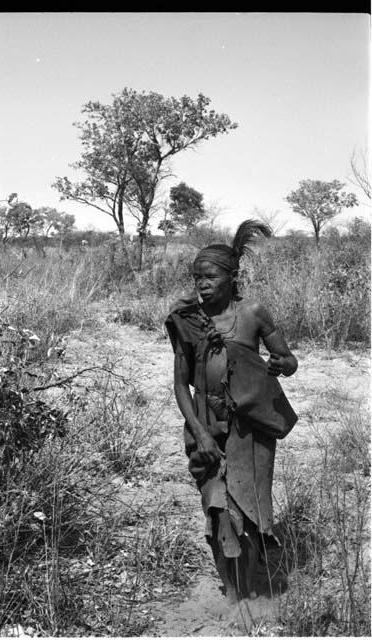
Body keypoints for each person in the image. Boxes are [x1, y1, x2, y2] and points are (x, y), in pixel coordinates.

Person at [165, 220, 298, 599]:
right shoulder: (186, 320)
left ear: (232, 276)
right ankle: (233, 594)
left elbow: (289, 360)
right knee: (217, 507)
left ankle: (250, 591)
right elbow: (180, 383)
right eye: (196, 278)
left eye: (209, 277)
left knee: (251, 510)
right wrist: (201, 433)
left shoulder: (253, 313)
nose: (201, 284)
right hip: (205, 423)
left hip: (250, 426)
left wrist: (280, 365)